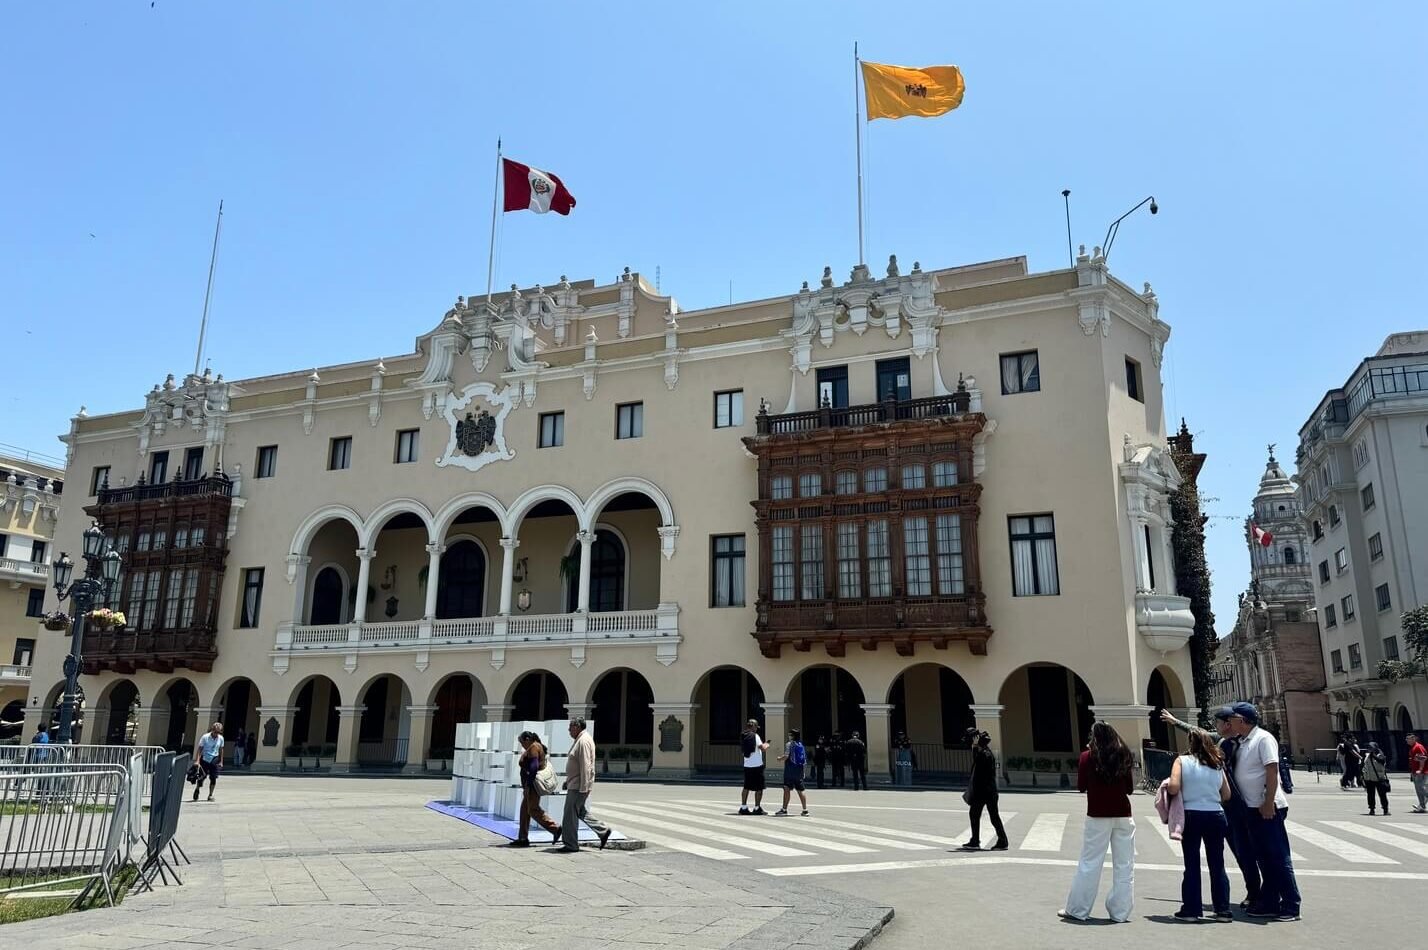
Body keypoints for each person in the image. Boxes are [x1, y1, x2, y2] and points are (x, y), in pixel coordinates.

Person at [1160, 706, 1261, 909]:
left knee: (1247, 851)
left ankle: (1258, 892)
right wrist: (1176, 722)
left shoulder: (1247, 742)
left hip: (1241, 806)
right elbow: (1200, 735)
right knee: (1230, 855)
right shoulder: (1222, 743)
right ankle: (1240, 898)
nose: (1215, 727)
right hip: (1223, 808)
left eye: (1217, 722)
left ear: (1226, 724)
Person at [1228, 702, 1300, 921]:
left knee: (1278, 857)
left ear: (1242, 720)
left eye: (1232, 719)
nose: (1229, 722)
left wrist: (1268, 801)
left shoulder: (1263, 739)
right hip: (1251, 808)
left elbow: (1272, 769)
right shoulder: (1242, 741)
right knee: (1264, 859)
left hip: (1267, 808)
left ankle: (1291, 904)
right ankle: (1269, 902)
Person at [1060, 721, 1136, 924]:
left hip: (1097, 814)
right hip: (1123, 814)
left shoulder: (1088, 756)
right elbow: (1129, 788)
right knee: (1124, 865)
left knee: (1090, 863)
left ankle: (1078, 909)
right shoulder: (1124, 754)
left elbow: (1081, 786)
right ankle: (1120, 912)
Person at [1167, 729, 1233, 922]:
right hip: (1215, 815)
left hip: (1191, 814)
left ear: (1190, 743)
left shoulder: (1182, 761)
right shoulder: (1217, 763)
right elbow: (1227, 794)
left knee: (1192, 863)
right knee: (1217, 863)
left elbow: (1173, 786)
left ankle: (1192, 909)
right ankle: (1223, 910)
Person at [560, 717, 612, 852]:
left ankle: (571, 844)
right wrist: (568, 781)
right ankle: (603, 831)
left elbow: (586, 766)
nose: (568, 730)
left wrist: (584, 787)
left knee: (569, 815)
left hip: (578, 786)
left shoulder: (583, 741)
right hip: (575, 783)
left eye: (570, 727)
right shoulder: (581, 739)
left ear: (577, 727)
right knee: (580, 811)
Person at [511, 731, 561, 847]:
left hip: (532, 786)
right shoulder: (535, 746)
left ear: (527, 739)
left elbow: (533, 767)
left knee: (533, 810)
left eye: (522, 742)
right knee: (524, 811)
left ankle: (555, 828)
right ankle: (523, 838)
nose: (522, 745)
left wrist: (528, 783)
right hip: (529, 785)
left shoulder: (534, 747)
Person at [961, 729, 1008, 851]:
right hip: (986, 791)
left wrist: (975, 747)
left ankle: (1000, 841)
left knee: (989, 816)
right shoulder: (985, 752)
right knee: (979, 815)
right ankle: (976, 840)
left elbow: (978, 764)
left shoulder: (984, 754)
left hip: (984, 792)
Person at [738, 719, 770, 815]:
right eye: (756, 727)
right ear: (754, 726)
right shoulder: (755, 736)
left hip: (747, 765)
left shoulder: (743, 735)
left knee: (746, 787)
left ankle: (743, 807)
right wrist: (767, 744)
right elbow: (762, 748)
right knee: (759, 787)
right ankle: (757, 808)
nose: (757, 729)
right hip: (757, 765)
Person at [775, 729, 809, 816]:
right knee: (801, 790)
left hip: (790, 770)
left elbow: (786, 756)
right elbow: (804, 760)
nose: (789, 736)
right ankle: (805, 810)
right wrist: (803, 772)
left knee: (786, 788)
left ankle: (784, 809)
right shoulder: (801, 745)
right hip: (799, 770)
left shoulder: (789, 744)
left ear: (793, 736)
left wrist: (779, 758)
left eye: (790, 735)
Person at [193, 721, 224, 802]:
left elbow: (221, 749)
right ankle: (197, 789)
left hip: (214, 758)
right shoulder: (205, 737)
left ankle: (210, 794)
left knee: (213, 778)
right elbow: (200, 749)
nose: (216, 734)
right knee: (202, 776)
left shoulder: (220, 738)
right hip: (205, 758)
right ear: (212, 730)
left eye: (218, 732)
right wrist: (197, 760)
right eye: (215, 731)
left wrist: (221, 761)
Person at [1361, 741, 1390, 816]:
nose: (1369, 749)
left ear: (1375, 748)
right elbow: (1362, 765)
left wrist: (1373, 755)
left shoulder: (1380, 755)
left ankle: (1385, 810)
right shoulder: (1366, 755)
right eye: (1368, 747)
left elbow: (1382, 761)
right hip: (1369, 778)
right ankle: (1372, 809)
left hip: (1379, 778)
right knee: (1370, 795)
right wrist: (1362, 776)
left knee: (1382, 795)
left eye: (1370, 747)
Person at [1407, 732, 1428, 813]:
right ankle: (1422, 806)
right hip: (1415, 771)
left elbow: (1423, 758)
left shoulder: (1418, 747)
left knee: (1421, 789)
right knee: (1419, 789)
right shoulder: (1413, 747)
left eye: (1408, 739)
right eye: (1406, 739)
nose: (1407, 740)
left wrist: (1420, 769)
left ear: (1413, 739)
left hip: (1420, 772)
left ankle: (1422, 805)